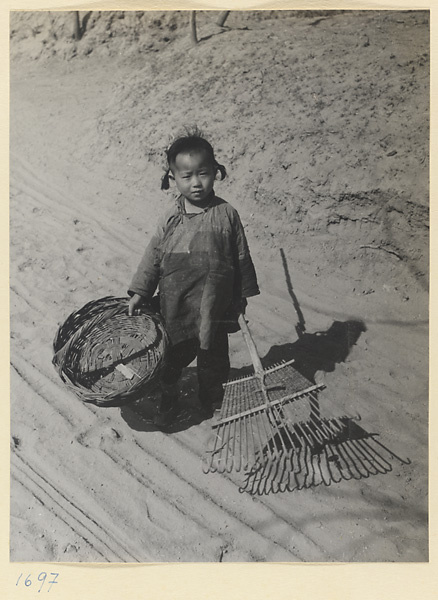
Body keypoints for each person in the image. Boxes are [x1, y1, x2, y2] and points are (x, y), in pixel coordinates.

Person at [128, 131, 259, 428]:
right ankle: (169, 395)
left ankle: (210, 400)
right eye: (187, 176)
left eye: (203, 173)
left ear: (216, 172)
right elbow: (153, 256)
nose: (196, 183)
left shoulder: (227, 215)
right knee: (171, 357)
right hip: (177, 303)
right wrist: (139, 291)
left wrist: (241, 298)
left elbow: (241, 257)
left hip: (215, 302)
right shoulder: (170, 218)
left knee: (213, 358)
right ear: (172, 178)